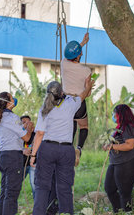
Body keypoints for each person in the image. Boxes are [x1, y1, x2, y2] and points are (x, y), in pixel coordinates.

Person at [30, 77, 94, 215]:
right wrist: (88, 86)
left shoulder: (44, 108)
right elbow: (83, 95)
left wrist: (33, 155)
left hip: (47, 149)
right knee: (65, 188)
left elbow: (40, 133)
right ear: (62, 93)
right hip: (66, 150)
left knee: (42, 187)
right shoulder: (71, 103)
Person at [0, 92, 33, 215]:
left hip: (3, 156)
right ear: (9, 103)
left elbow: (12, 134)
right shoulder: (12, 118)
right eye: (11, 97)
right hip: (13, 157)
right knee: (12, 194)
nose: (14, 98)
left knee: (5, 192)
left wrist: (22, 128)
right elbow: (26, 138)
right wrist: (28, 129)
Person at [103, 104, 134, 212]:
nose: (113, 116)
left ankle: (127, 212)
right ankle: (118, 211)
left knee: (124, 193)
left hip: (128, 162)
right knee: (109, 188)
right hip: (116, 162)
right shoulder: (119, 127)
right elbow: (118, 142)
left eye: (114, 114)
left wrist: (112, 146)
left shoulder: (128, 127)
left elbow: (130, 145)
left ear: (121, 115)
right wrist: (108, 145)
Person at [61, 32, 91, 166]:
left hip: (66, 101)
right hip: (79, 102)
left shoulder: (64, 64)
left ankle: (68, 150)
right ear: (78, 55)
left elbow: (70, 55)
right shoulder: (86, 71)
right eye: (80, 53)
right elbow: (87, 92)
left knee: (70, 123)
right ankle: (78, 148)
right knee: (83, 126)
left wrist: (82, 43)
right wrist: (89, 88)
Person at [20, 115, 36, 199]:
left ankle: (37, 208)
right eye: (23, 122)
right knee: (15, 185)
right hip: (21, 164)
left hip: (33, 164)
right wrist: (23, 151)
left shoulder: (36, 134)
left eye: (28, 122)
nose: (26, 124)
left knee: (35, 186)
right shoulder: (17, 135)